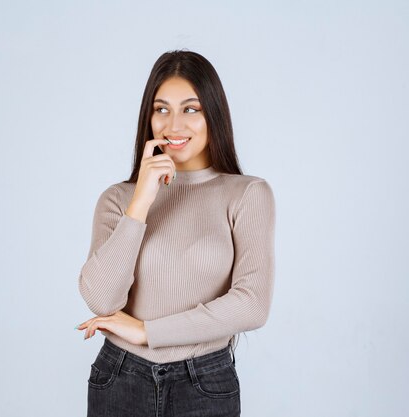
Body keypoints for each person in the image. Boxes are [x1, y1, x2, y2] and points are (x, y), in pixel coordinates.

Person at [76, 49, 276, 417]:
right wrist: (141, 202)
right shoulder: (119, 198)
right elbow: (102, 301)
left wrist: (147, 331)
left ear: (213, 113)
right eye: (161, 109)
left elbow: (252, 303)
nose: (174, 125)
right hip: (120, 378)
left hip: (204, 381)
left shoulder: (246, 194)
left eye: (191, 109)